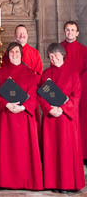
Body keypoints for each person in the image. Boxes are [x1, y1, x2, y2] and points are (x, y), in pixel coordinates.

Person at [0, 42, 43, 190]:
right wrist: (6, 104)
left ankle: (25, 181)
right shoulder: (0, 73)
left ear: (22, 54)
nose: (15, 55)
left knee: (23, 153)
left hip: (23, 117)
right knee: (6, 151)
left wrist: (22, 107)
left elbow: (33, 95)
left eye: (17, 52)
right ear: (8, 55)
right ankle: (5, 181)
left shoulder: (30, 73)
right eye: (12, 52)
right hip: (6, 117)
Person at [38, 43, 85, 192]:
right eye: (51, 56)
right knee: (52, 151)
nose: (54, 59)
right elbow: (41, 95)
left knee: (66, 151)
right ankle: (53, 183)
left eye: (56, 56)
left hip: (66, 120)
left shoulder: (73, 74)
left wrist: (63, 109)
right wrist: (49, 109)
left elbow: (76, 97)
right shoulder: (46, 75)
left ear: (62, 55)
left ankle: (68, 184)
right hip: (51, 119)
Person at [60, 21, 87, 161]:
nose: (69, 32)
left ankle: (82, 155)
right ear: (64, 32)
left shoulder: (84, 50)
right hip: (61, 91)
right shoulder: (59, 48)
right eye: (67, 30)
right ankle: (66, 154)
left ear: (77, 33)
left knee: (82, 123)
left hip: (80, 91)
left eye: (72, 30)